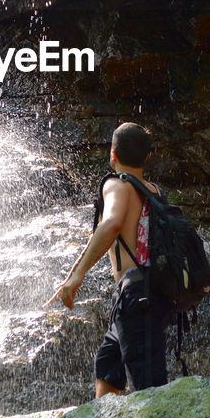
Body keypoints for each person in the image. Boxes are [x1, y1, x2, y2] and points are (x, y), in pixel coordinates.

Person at [45, 122, 172, 398]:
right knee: (107, 364)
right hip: (150, 295)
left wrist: (77, 275)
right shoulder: (155, 192)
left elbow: (112, 222)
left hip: (138, 296)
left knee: (151, 391)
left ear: (112, 154)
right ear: (147, 157)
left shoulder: (118, 185)